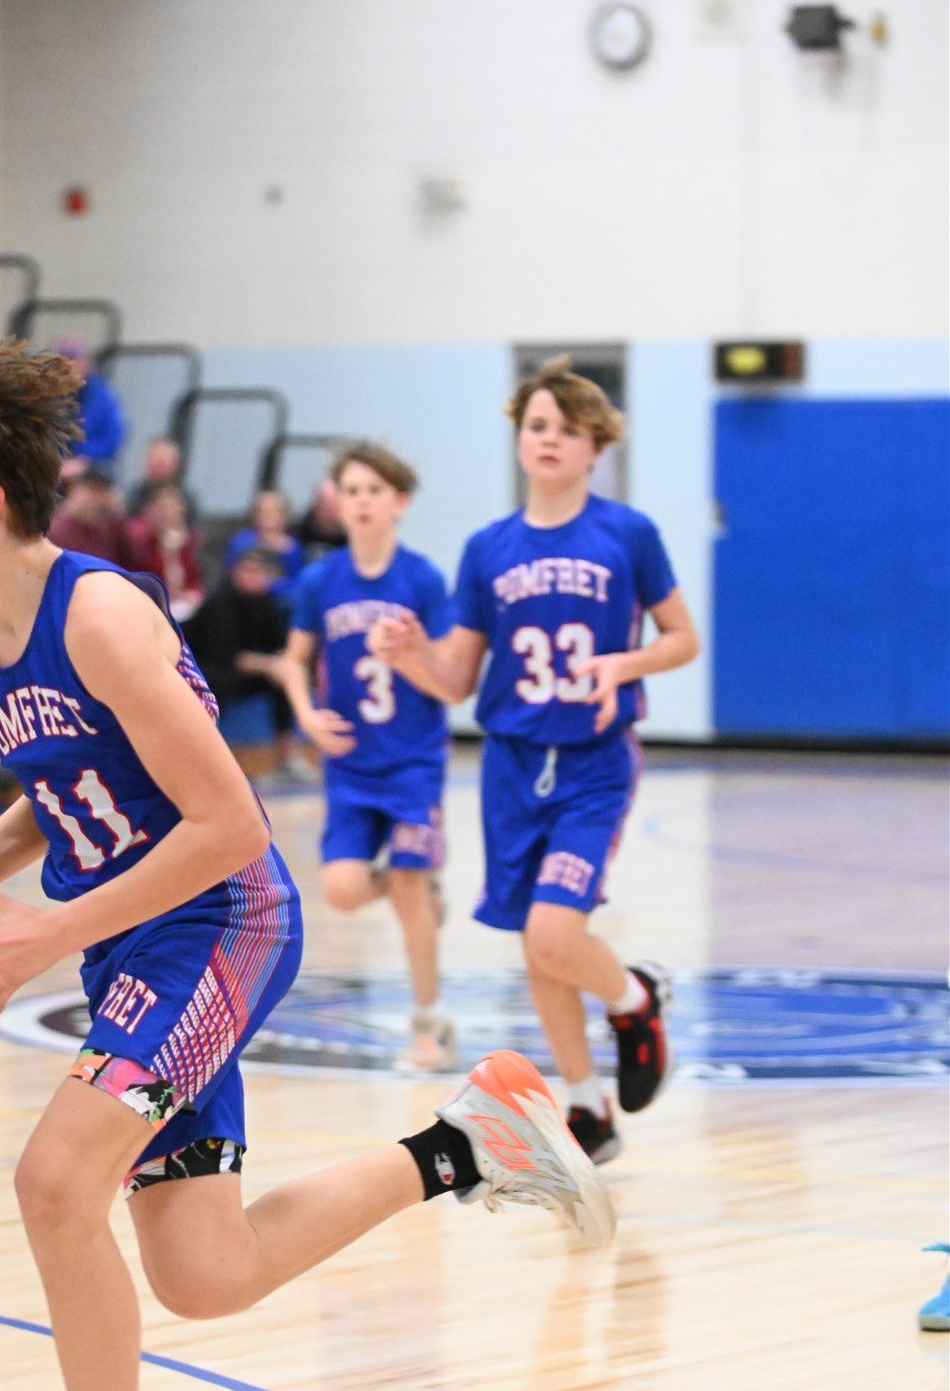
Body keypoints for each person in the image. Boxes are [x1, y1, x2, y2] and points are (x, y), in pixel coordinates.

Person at [0, 340, 613, 1391]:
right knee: (204, 1272)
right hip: (134, 938)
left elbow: (227, 824)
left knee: (54, 1180)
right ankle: (469, 1139)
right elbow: (66, 787)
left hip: (222, 918)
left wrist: (45, 936)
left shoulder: (100, 615)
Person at [371, 357, 700, 1164]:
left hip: (593, 762)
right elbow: (456, 678)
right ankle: (587, 1108)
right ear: (519, 439)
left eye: (568, 429)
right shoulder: (487, 547)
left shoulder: (627, 533)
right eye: (537, 425)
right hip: (511, 764)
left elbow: (682, 638)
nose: (550, 439)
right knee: (536, 943)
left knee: (556, 931)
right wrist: (412, 657)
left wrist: (624, 665)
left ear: (596, 446)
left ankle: (634, 996)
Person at [282, 442, 454, 1071]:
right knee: (343, 890)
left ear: (399, 502)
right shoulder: (320, 580)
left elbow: (448, 680)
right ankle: (423, 894)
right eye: (351, 490)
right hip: (350, 765)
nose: (361, 502)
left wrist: (410, 657)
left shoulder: (423, 579)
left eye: (374, 491)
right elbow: (294, 660)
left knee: (406, 882)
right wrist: (306, 715)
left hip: (413, 763)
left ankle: (429, 1027)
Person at [184, 546, 300, 771]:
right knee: (218, 683)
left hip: (247, 671)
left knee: (283, 682)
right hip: (206, 668)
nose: (252, 577)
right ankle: (208, 759)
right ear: (235, 573)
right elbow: (226, 655)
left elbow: (279, 646)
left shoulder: (267, 603)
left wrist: (282, 666)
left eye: (258, 572)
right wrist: (269, 665)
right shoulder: (219, 603)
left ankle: (286, 758)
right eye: (247, 571)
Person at [122, 482, 204, 620]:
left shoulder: (195, 541)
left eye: (171, 505)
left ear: (181, 507)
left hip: (190, 604)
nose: (167, 511)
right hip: (154, 603)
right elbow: (140, 574)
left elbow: (201, 575)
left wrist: (194, 592)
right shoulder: (144, 542)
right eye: (161, 506)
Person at [55, 337, 126, 474]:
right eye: (64, 361)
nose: (70, 366)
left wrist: (84, 460)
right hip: (55, 465)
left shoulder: (104, 397)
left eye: (74, 360)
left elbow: (112, 439)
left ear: (86, 363)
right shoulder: (50, 396)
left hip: (93, 466)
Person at [226, 487, 306, 602]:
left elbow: (297, 585)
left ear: (285, 516)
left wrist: (269, 585)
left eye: (274, 511)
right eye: (262, 511)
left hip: (276, 604)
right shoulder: (241, 541)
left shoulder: (292, 548)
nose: (267, 516)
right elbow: (230, 575)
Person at [47, 468, 131, 564]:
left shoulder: (110, 528)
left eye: (101, 492)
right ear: (75, 491)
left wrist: (120, 516)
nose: (96, 499)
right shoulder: (56, 529)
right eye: (92, 490)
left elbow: (132, 562)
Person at [125, 437, 199, 524]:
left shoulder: (186, 500)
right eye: (154, 460)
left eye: (163, 462)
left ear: (175, 465)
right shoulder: (135, 494)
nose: (158, 467)